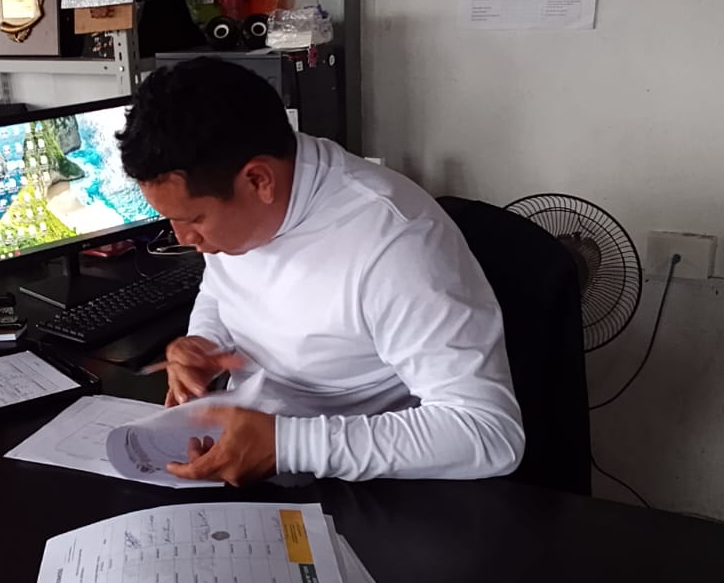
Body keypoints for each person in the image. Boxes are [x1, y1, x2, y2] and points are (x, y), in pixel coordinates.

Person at [115, 58, 525, 486]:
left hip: (359, 480)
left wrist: (288, 445)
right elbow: (220, 290)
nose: (184, 238)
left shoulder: (395, 244)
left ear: (258, 180)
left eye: (194, 219)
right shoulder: (237, 194)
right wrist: (206, 340)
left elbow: (488, 432)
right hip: (249, 439)